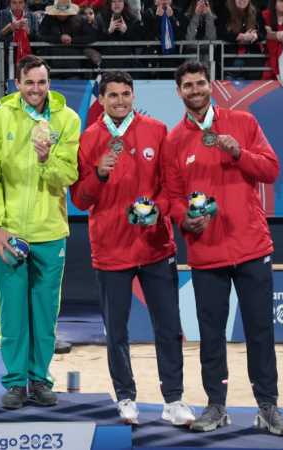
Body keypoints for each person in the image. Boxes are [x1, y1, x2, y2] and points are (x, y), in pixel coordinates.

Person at [163, 60, 283, 436]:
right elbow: (172, 197)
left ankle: (268, 406)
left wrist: (239, 153)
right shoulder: (173, 142)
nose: (195, 90)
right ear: (179, 92)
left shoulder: (243, 123)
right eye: (188, 85)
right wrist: (182, 220)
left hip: (252, 246)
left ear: (210, 85)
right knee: (212, 334)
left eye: (201, 83)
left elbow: (270, 170)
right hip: (207, 251)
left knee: (260, 332)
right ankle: (216, 406)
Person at [69, 70, 195, 427]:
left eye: (126, 94)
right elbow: (80, 199)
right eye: (113, 96)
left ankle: (173, 399)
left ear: (133, 97)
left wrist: (157, 208)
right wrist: (100, 174)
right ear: (102, 100)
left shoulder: (157, 130)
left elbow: (172, 185)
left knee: (169, 327)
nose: (120, 101)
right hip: (111, 248)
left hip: (155, 245)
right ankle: (125, 397)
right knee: (118, 331)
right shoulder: (90, 139)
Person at [0, 54, 79, 410]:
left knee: (45, 312)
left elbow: (68, 175)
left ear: (49, 84)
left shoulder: (67, 119)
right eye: (30, 82)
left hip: (50, 232)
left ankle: (39, 380)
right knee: (12, 313)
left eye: (42, 82)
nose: (36, 89)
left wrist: (45, 159)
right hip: (9, 234)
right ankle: (15, 383)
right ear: (17, 84)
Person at [36, 0, 97, 76]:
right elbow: (39, 35)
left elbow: (92, 36)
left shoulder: (80, 19)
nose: (61, 15)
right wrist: (59, 38)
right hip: (53, 66)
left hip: (75, 66)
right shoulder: (49, 18)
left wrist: (72, 39)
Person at [216, 0, 266, 80]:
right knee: (230, 91)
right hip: (230, 61)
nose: (242, 0)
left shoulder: (256, 14)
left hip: (251, 62)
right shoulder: (226, 13)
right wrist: (241, 37)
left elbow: (264, 33)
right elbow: (220, 33)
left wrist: (256, 36)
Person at [141, 0, 189, 78]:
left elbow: (180, 35)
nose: (164, 0)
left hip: (172, 58)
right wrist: (158, 17)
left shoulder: (178, 12)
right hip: (153, 58)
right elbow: (147, 36)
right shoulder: (149, 13)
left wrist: (171, 17)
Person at [92, 0, 142, 69]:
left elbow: (139, 41)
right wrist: (108, 32)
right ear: (109, 3)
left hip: (127, 64)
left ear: (124, 3)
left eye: (120, 1)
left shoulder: (133, 19)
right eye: (113, 1)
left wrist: (126, 32)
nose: (117, 4)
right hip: (105, 64)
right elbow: (93, 41)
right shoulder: (100, 18)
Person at [0, 0, 40, 64]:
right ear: (10, 3)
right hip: (6, 57)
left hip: (28, 57)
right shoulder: (1, 15)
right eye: (14, 3)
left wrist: (27, 30)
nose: (17, 6)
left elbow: (38, 39)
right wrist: (5, 30)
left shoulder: (32, 16)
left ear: (25, 3)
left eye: (20, 3)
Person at [262, 0, 283, 82]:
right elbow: (266, 34)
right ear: (273, 4)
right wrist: (278, 34)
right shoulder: (265, 14)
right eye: (281, 0)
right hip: (268, 55)